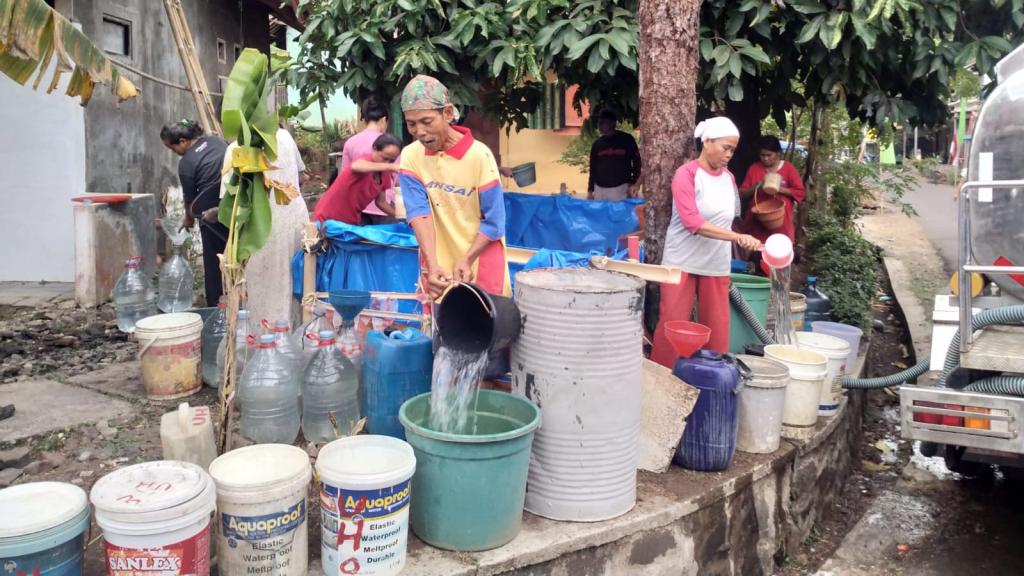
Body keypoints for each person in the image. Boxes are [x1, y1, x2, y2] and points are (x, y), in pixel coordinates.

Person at [650, 117, 761, 366]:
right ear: (707, 142)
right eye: (726, 148)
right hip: (682, 261)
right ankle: (663, 378)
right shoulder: (686, 175)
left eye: (733, 149)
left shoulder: (729, 179)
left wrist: (743, 239)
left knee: (717, 327)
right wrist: (737, 237)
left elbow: (730, 218)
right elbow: (693, 223)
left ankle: (713, 377)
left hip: (716, 261)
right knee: (673, 324)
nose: (729, 154)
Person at [397, 74, 510, 301]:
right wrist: (432, 263)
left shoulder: (479, 156)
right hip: (438, 266)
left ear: (447, 114)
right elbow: (419, 213)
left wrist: (467, 259)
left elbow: (495, 222)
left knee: (487, 328)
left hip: (480, 261)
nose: (419, 131)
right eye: (411, 124)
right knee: (442, 328)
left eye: (426, 122)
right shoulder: (411, 156)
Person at [230, 127, 311, 325]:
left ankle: (266, 339)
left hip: (261, 229)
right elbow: (301, 175)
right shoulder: (284, 136)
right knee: (293, 282)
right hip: (294, 219)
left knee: (265, 288)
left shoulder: (236, 149)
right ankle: (294, 338)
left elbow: (230, 197)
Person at [161, 119, 229, 307]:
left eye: (173, 149)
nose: (175, 153)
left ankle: (217, 305)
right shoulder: (217, 141)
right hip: (233, 206)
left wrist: (188, 220)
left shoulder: (187, 164)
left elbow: (190, 201)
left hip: (210, 215)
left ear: (183, 141)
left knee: (214, 262)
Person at [313, 133, 401, 225]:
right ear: (374, 148)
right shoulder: (365, 161)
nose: (387, 163)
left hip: (350, 222)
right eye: (384, 158)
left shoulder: (384, 173)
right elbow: (356, 166)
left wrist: (401, 217)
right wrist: (391, 166)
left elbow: (381, 202)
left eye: (392, 160)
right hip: (327, 218)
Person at [342, 95, 398, 225]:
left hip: (358, 208)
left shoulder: (350, 142)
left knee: (363, 244)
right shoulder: (391, 145)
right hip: (385, 208)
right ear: (384, 119)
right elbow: (398, 179)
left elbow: (344, 177)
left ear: (364, 119)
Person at [739, 135, 806, 243]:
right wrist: (758, 186)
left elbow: (800, 192)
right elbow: (742, 193)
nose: (765, 158)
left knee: (778, 255)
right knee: (756, 255)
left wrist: (778, 189)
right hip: (756, 225)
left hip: (781, 226)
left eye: (769, 155)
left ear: (778, 153)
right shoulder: (754, 168)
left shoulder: (788, 168)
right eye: (762, 155)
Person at [587, 109, 641, 201]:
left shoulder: (627, 140)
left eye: (603, 122)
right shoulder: (597, 144)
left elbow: (637, 162)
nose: (599, 126)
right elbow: (593, 168)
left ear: (613, 123)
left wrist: (634, 183)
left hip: (621, 189)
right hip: (599, 190)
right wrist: (590, 190)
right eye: (599, 123)